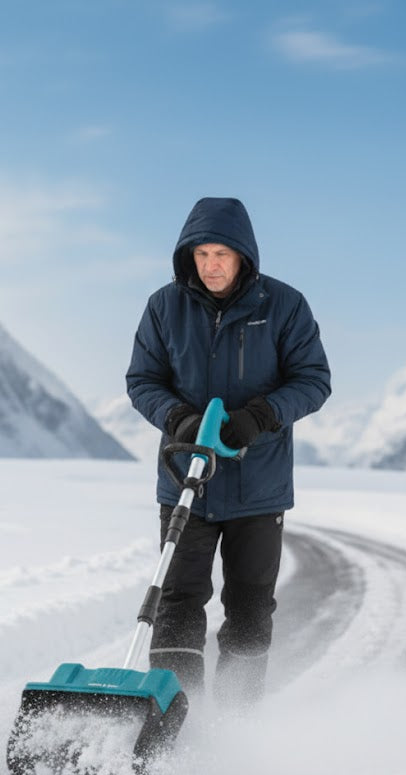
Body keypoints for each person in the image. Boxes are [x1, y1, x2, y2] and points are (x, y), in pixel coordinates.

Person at [126, 197, 331, 702]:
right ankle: (175, 720)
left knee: (250, 606)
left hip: (257, 488)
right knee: (176, 601)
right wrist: (180, 419)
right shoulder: (163, 307)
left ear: (243, 255)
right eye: (201, 254)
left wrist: (259, 417)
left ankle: (235, 723)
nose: (211, 265)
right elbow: (142, 380)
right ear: (188, 256)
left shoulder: (284, 305)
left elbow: (314, 380)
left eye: (222, 254)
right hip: (185, 479)